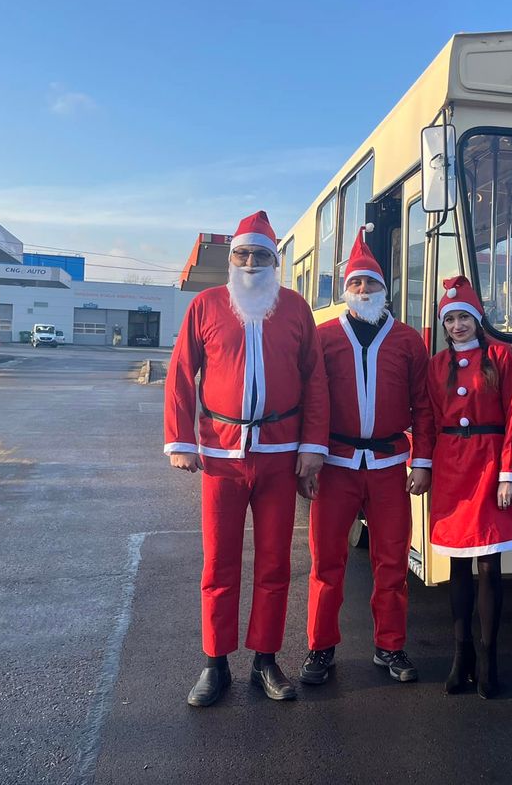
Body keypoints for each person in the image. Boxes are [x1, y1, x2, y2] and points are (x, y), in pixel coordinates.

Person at [164, 210, 330, 708]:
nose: (251, 262)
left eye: (261, 255)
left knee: (276, 562)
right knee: (218, 563)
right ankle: (215, 662)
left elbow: (315, 382)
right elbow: (180, 374)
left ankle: (265, 659)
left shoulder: (296, 309)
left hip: (281, 456)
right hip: (220, 456)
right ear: (231, 259)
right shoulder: (207, 305)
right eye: (243, 254)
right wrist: (181, 441)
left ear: (275, 261)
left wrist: (312, 447)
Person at [302, 227, 435, 686]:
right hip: (336, 465)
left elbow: (424, 405)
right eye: (356, 283)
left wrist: (423, 461)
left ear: (384, 289)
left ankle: (390, 646)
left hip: (388, 466)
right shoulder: (323, 338)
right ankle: (320, 647)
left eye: (371, 283)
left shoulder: (407, 340)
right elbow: (311, 399)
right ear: (346, 290)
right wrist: (309, 457)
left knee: (393, 561)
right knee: (326, 562)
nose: (363, 290)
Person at [427, 276, 512, 699]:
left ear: (477, 320)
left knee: (488, 566)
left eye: (464, 318)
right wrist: (422, 465)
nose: (458, 325)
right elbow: (426, 420)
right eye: (452, 319)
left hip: (490, 467)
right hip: (450, 471)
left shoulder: (501, 356)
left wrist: (509, 475)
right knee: (457, 566)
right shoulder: (436, 366)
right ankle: (461, 659)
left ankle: (489, 660)